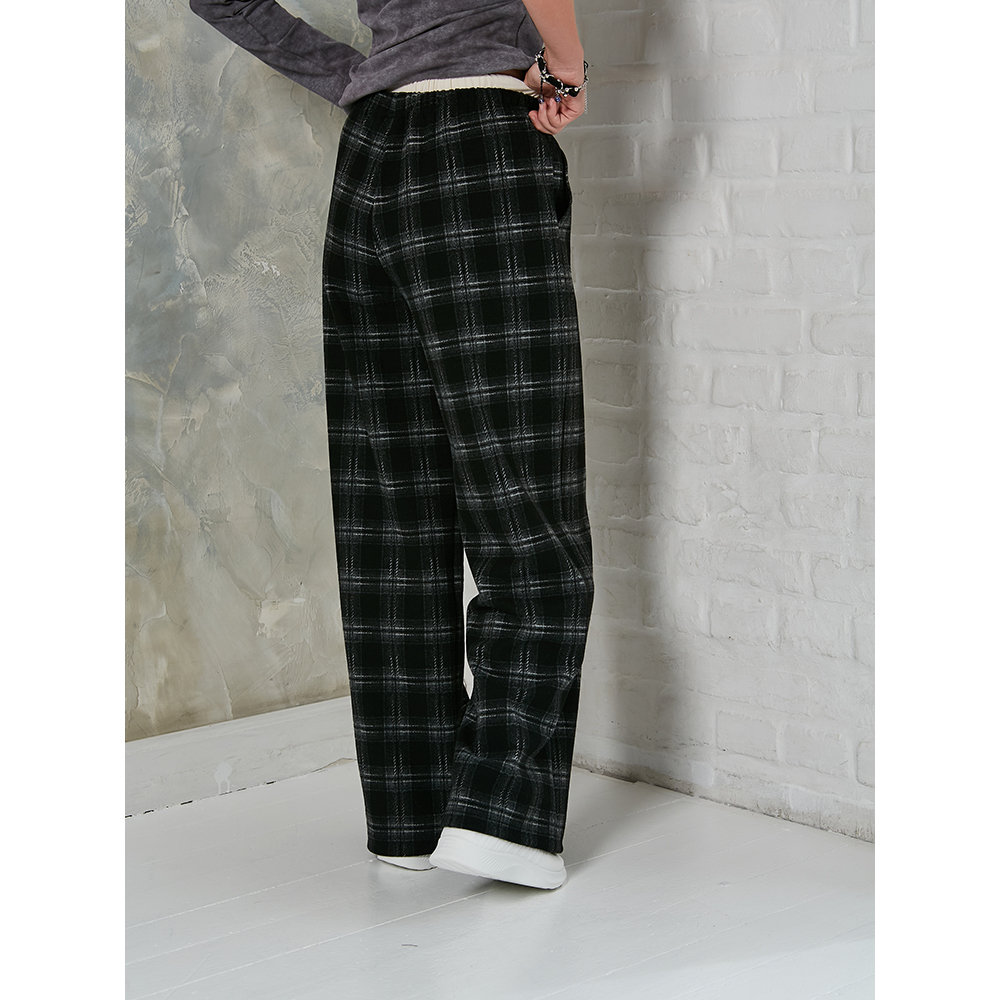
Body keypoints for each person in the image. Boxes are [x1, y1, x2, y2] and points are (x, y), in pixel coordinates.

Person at [189, 0, 594, 890]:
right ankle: (501, 816)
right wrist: (565, 71)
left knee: (392, 508)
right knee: (527, 505)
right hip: (482, 146)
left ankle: (411, 814)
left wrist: (361, 79)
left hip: (371, 157)